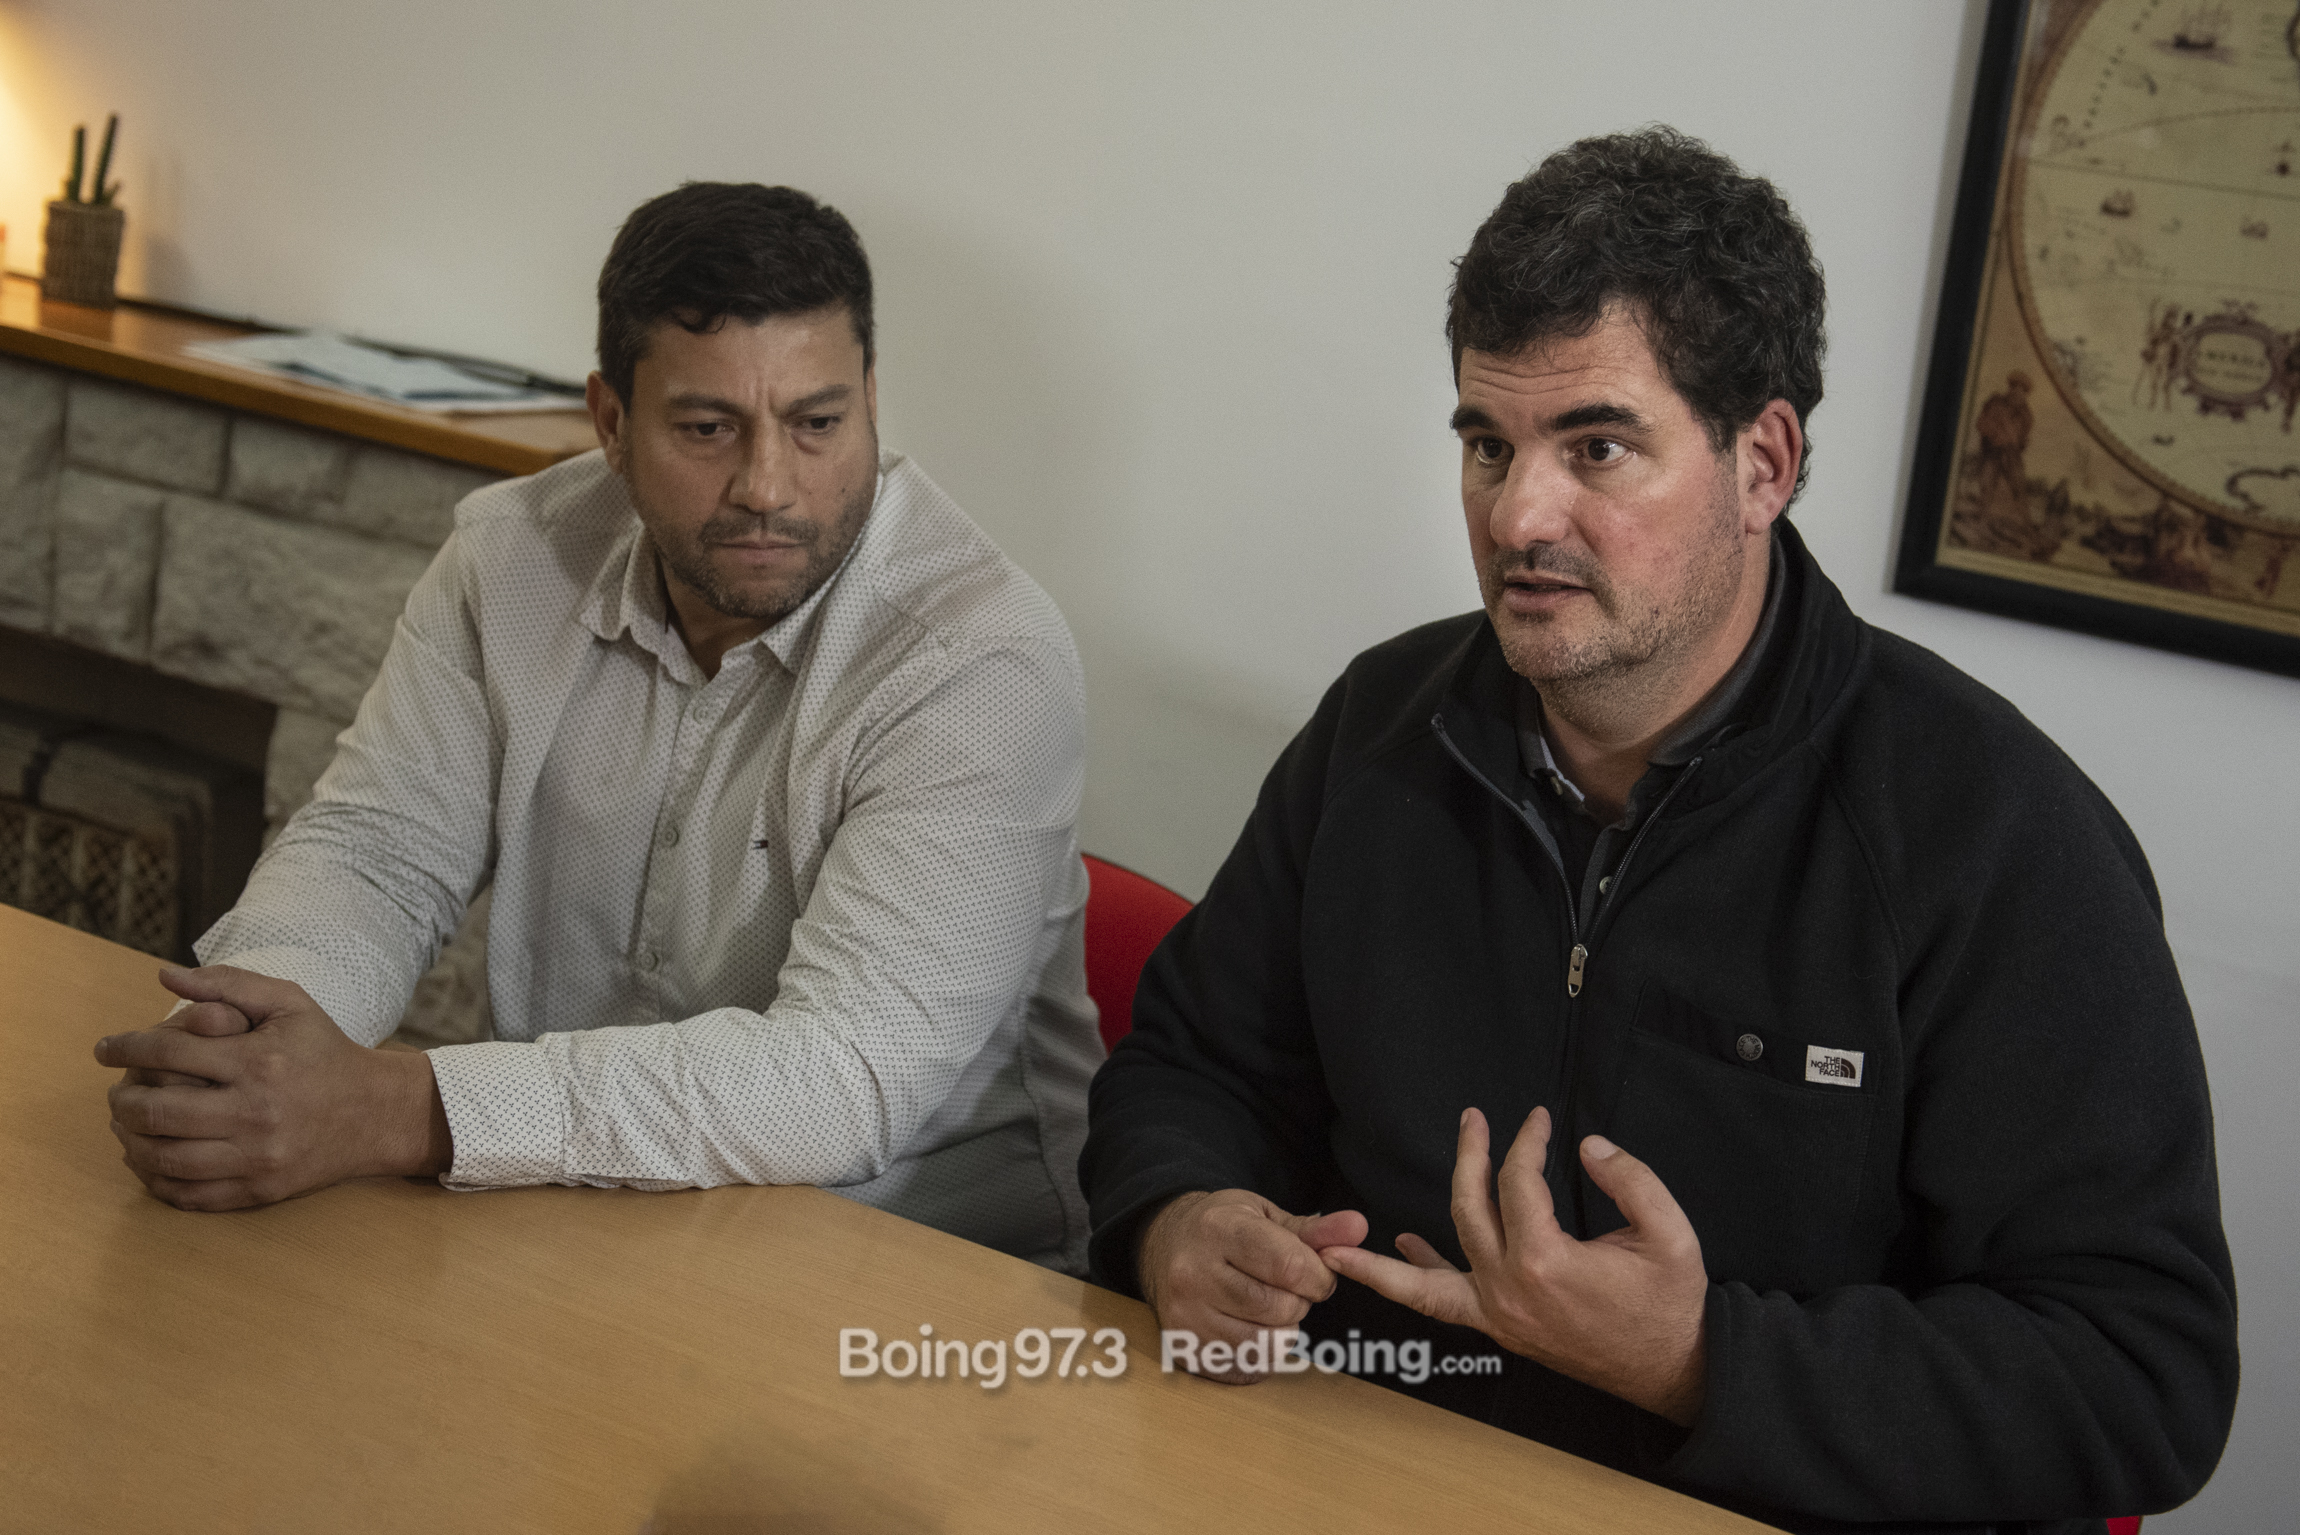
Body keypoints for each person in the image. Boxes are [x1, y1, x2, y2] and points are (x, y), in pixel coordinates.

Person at [1080, 128, 2238, 1531]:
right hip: (1346, 1472)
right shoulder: (1381, 723)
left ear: (1763, 463)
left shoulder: (1997, 833)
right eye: (1488, 444)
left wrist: (1696, 1359)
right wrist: (1180, 1215)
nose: (1518, 513)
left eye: (1598, 447)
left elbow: (2139, 1373)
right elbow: (1194, 1063)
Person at [95, 183, 1102, 1273]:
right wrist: (255, 1029)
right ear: (612, 422)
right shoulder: (512, 556)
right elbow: (376, 853)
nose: (768, 486)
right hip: (571, 1212)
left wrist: (395, 1106)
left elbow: (842, 1077)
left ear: (868, 400)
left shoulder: (980, 660)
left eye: (817, 423)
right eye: (708, 427)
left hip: (916, 1271)